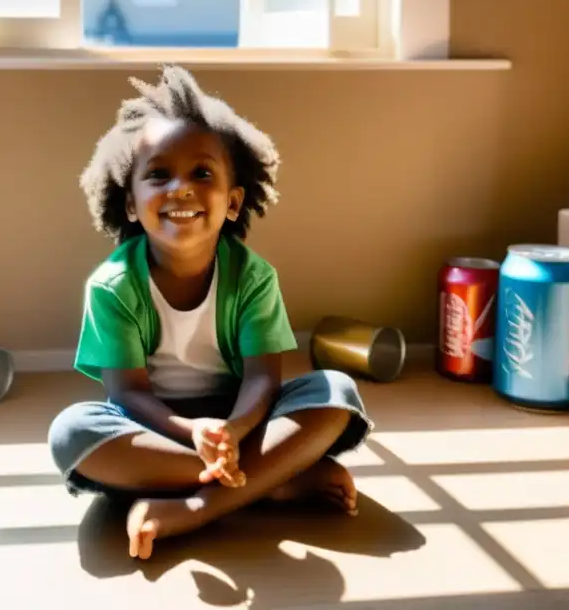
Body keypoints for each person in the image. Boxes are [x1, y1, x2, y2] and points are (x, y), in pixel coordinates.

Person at [48, 66, 374, 560]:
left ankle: (196, 506)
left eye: (202, 173)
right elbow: (129, 393)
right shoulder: (111, 288)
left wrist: (233, 431)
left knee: (335, 391)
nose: (180, 189)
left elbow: (264, 381)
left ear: (234, 201)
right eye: (158, 174)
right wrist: (194, 433)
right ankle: (275, 478)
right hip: (157, 428)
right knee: (72, 432)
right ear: (131, 204)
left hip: (246, 418)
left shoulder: (253, 277)